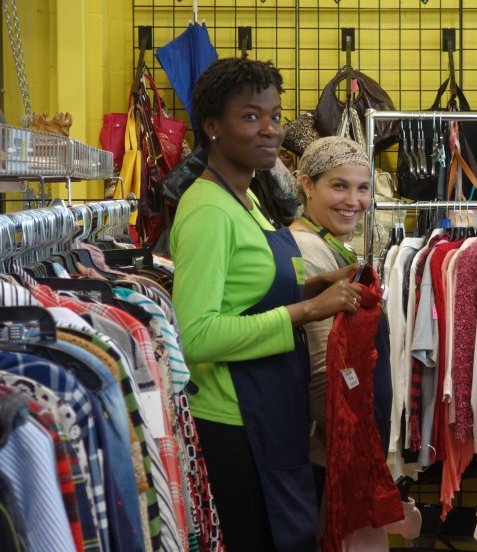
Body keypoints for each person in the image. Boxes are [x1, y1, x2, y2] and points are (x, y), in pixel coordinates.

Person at [170, 58, 363, 551]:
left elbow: (246, 297)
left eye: (275, 116)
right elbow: (196, 335)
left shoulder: (248, 199)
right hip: (234, 422)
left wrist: (314, 287)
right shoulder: (208, 210)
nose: (270, 129)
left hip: (270, 410)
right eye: (250, 116)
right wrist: (307, 312)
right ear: (212, 126)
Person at [289, 136, 421, 549]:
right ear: (307, 185)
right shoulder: (308, 250)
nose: (354, 200)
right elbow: (323, 369)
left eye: (362, 188)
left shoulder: (331, 247)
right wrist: (354, 453)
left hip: (337, 450)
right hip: (330, 457)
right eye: (339, 186)